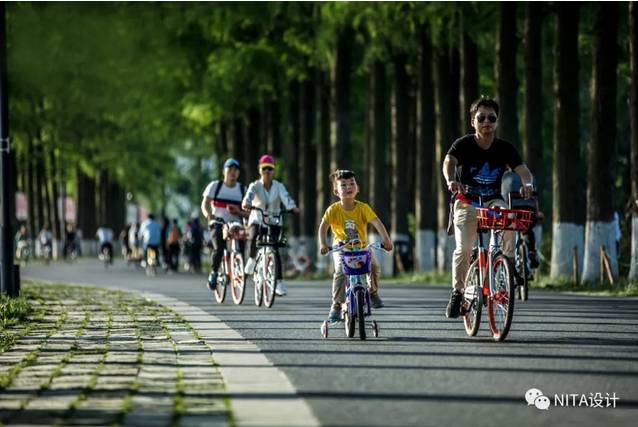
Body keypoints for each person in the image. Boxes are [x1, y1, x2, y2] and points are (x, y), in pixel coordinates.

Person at [442, 97, 535, 319]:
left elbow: (523, 171)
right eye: (481, 118)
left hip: (493, 201)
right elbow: (448, 162)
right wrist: (450, 180)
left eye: (491, 118)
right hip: (467, 201)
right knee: (464, 249)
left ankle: (507, 263)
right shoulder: (463, 144)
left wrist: (528, 184)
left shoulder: (505, 148)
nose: (486, 122)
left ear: (497, 121)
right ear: (472, 121)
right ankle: (457, 292)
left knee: (509, 218)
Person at [318, 169, 393, 323]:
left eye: (352, 183)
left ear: (357, 188)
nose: (348, 187)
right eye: (343, 185)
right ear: (336, 191)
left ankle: (373, 293)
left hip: (362, 248)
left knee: (374, 267)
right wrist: (323, 243)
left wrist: (386, 240)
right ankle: (336, 304)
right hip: (342, 249)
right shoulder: (333, 210)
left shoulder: (363, 208)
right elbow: (323, 227)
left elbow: (377, 223)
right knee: (340, 272)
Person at [242, 154, 299, 296]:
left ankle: (278, 282)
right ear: (259, 170)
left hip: (274, 221)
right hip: (258, 219)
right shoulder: (255, 185)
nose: (267, 171)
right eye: (264, 168)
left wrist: (292, 207)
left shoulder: (279, 186)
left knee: (275, 250)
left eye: (270, 168)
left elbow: (286, 198)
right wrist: (246, 203)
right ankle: (252, 259)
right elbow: (248, 196)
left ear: (273, 170)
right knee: (254, 236)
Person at [201, 158, 248, 290]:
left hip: (236, 224)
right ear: (223, 171)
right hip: (218, 222)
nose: (232, 173)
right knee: (219, 248)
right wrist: (209, 215)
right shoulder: (215, 186)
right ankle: (214, 272)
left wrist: (239, 212)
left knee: (242, 248)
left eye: (235, 170)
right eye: (230, 170)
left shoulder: (242, 190)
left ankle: (239, 268)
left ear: (238, 173)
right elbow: (205, 204)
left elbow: (249, 212)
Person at [501, 170, 540, 268]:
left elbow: (502, 197)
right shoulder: (529, 176)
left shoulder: (505, 177)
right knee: (528, 230)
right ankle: (531, 252)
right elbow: (535, 198)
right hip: (529, 211)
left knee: (509, 230)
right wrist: (537, 213)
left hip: (512, 210)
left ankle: (507, 257)